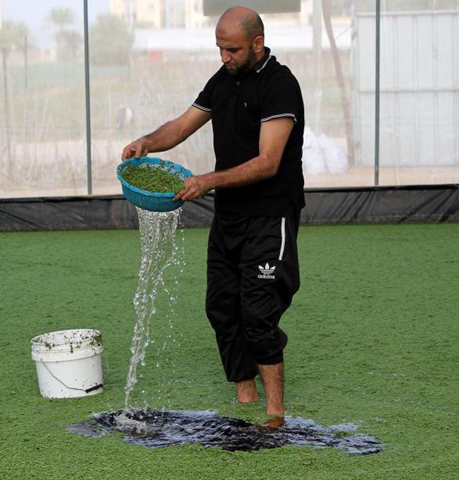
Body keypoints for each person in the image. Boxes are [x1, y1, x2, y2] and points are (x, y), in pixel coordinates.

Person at [121, 6, 305, 427]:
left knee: (258, 314)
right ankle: (244, 395)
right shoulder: (222, 80)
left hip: (268, 216)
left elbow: (268, 162)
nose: (225, 57)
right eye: (220, 48)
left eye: (233, 49)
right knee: (221, 307)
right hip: (229, 217)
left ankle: (275, 411)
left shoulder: (280, 86)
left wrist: (207, 181)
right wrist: (147, 141)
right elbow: (184, 124)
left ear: (257, 44)